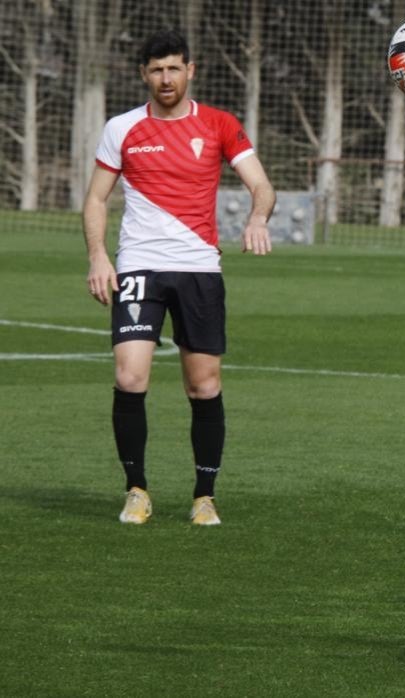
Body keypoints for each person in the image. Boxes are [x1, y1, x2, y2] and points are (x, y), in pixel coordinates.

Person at [83, 30, 274, 526]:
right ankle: (136, 490)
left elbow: (261, 185)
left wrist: (257, 218)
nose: (165, 78)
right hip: (139, 265)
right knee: (129, 376)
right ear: (143, 75)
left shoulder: (219, 125)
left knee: (204, 386)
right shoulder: (121, 128)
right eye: (155, 70)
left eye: (173, 68)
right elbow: (97, 198)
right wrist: (99, 257)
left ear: (191, 70)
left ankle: (204, 496)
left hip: (199, 269)